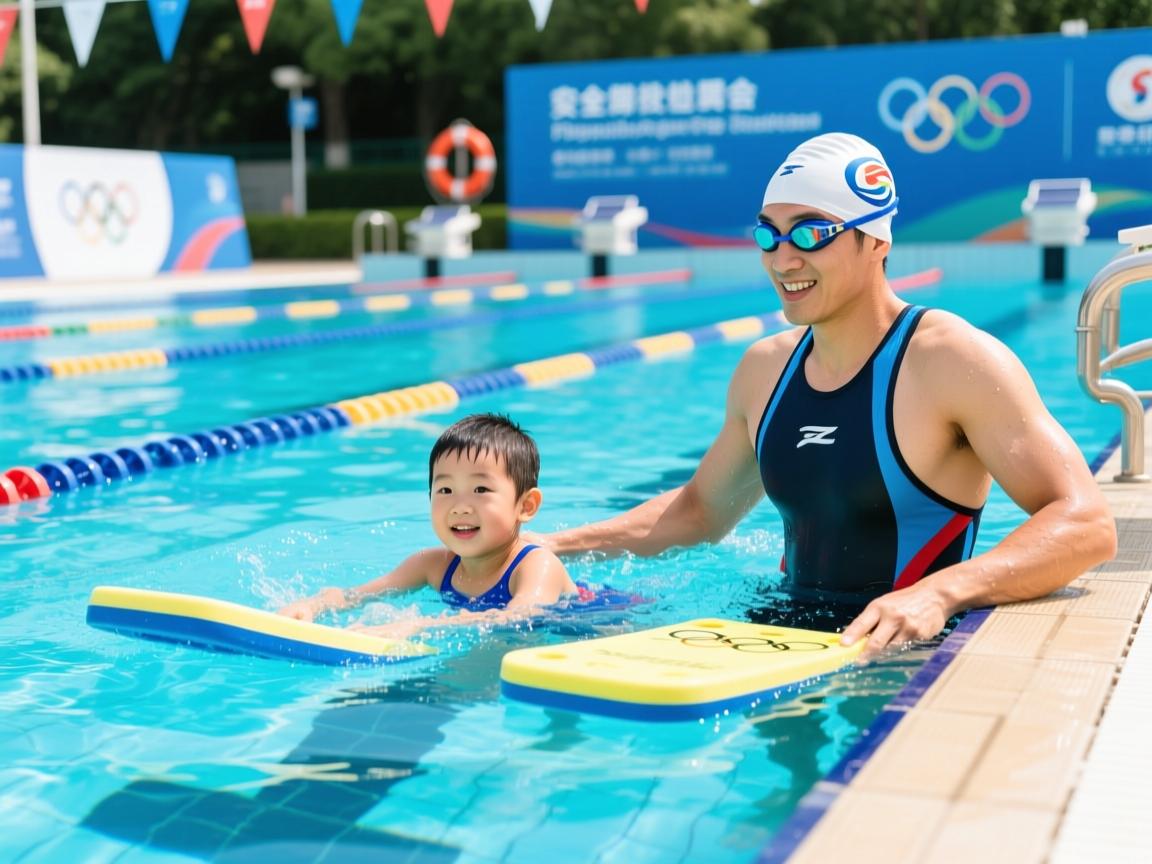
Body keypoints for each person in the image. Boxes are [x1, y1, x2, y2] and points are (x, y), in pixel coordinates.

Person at [539, 132, 1117, 660]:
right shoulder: (765, 369)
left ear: (875, 240)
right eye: (768, 232)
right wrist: (547, 545)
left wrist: (940, 593)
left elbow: (1087, 522)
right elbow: (699, 513)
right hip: (775, 631)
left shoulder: (949, 360)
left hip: (899, 649)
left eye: (812, 233)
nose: (783, 258)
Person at [279, 413, 577, 637]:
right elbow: (358, 595)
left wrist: (420, 625)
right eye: (445, 491)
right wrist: (313, 606)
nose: (460, 506)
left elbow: (520, 616)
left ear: (525, 506)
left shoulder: (537, 565)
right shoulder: (432, 565)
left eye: (481, 490)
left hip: (587, 625)